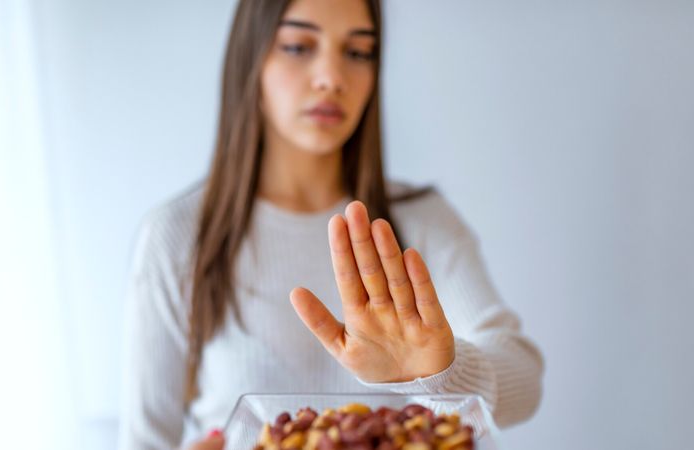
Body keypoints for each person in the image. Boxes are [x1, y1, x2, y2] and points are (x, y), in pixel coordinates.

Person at [117, 0, 544, 449]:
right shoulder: (177, 236)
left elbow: (524, 374)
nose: (332, 78)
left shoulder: (422, 220)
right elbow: (144, 439)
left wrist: (441, 372)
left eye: (358, 53)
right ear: (251, 57)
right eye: (299, 46)